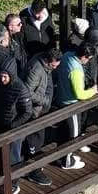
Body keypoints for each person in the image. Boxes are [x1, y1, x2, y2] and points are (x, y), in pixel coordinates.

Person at [54, 41, 98, 169]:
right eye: (88, 59)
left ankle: (63, 156)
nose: (88, 61)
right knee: (73, 133)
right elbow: (80, 94)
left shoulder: (67, 55)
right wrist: (93, 91)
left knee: (63, 131)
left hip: (60, 99)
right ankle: (68, 161)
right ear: (84, 56)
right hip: (70, 104)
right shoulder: (76, 70)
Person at [0, 65, 34, 194]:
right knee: (0, 157)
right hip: (1, 125)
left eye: (5, 76)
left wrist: (13, 126)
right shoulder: (1, 85)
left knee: (14, 157)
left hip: (13, 128)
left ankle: (14, 183)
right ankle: (2, 182)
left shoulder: (21, 89)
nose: (2, 79)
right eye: (1, 76)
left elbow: (27, 112)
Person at [23, 47, 62, 179]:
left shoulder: (44, 65)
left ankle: (35, 164)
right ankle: (33, 169)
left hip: (40, 109)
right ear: (48, 60)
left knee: (39, 138)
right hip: (35, 111)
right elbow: (27, 92)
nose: (55, 68)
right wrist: (45, 100)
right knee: (35, 139)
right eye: (54, 65)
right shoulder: (36, 70)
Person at [4, 13, 27, 77]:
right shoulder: (6, 42)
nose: (21, 25)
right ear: (10, 27)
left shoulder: (17, 35)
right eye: (19, 24)